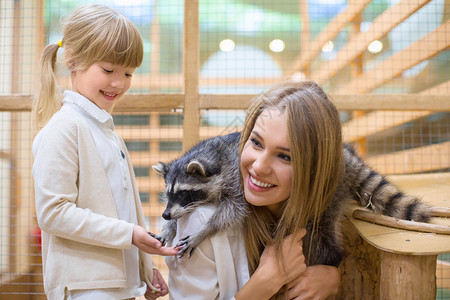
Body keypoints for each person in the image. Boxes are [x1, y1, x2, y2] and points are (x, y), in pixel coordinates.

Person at [31, 4, 178, 300]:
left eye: (128, 74)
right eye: (108, 70)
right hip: (86, 286)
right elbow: (53, 212)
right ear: (73, 61)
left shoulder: (107, 132)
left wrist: (144, 267)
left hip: (115, 285)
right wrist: (130, 234)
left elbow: (121, 211)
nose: (118, 83)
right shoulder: (65, 127)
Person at [164, 81, 341, 300]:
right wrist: (266, 281)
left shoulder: (321, 215)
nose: (258, 166)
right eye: (256, 143)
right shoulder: (200, 221)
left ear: (314, 171)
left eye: (284, 156)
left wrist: (333, 276)